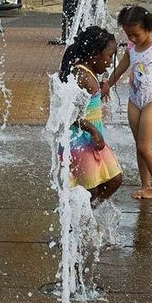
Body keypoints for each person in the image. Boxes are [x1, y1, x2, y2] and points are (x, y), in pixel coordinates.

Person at [105, 5, 152, 199]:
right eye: (129, 35)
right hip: (134, 101)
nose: (133, 39)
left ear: (148, 27)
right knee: (139, 146)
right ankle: (146, 184)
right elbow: (119, 70)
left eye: (136, 34)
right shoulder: (131, 49)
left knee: (145, 146)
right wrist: (107, 86)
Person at [58, 26, 123, 205]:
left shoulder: (90, 74)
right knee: (88, 189)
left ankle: (88, 213)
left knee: (114, 179)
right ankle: (77, 223)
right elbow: (69, 114)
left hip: (92, 138)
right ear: (95, 54)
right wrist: (93, 131)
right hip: (79, 139)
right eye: (109, 56)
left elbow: (89, 103)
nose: (111, 62)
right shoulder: (81, 76)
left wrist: (102, 90)